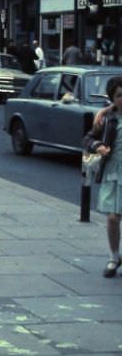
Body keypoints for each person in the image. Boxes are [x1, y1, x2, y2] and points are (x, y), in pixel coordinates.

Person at [84, 76, 122, 278]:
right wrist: (98, 146)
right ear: (112, 98)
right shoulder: (107, 120)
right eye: (119, 95)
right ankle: (114, 257)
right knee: (113, 218)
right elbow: (88, 138)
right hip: (113, 172)